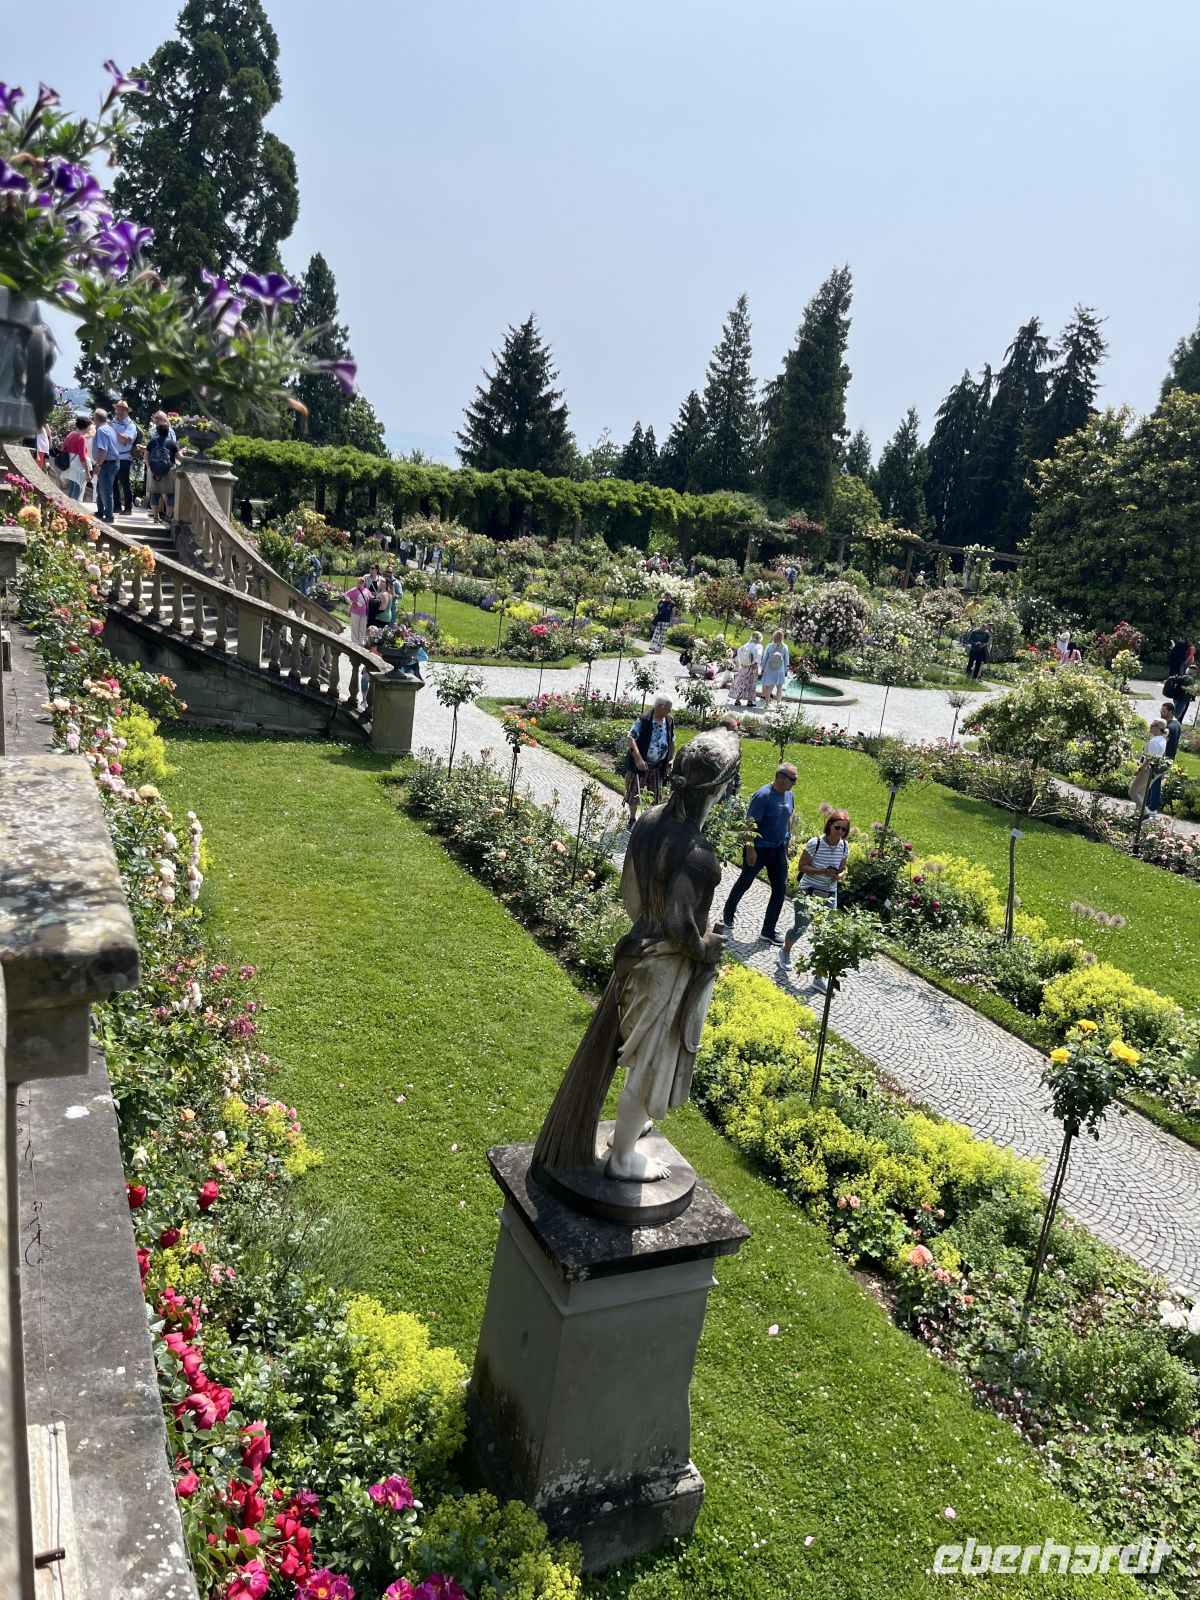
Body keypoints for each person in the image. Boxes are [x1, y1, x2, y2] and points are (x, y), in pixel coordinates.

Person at [718, 761, 797, 945]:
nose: (795, 783)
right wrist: (751, 850)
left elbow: (787, 818)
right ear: (780, 777)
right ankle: (728, 912)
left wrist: (786, 844)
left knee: (780, 889)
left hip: (778, 848)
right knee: (745, 881)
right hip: (759, 848)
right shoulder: (763, 796)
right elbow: (749, 825)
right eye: (792, 779)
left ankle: (768, 931)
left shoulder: (789, 795)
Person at [779, 810, 851, 984]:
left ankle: (819, 975)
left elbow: (843, 868)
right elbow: (802, 866)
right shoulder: (815, 843)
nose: (840, 832)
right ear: (830, 825)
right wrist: (822, 871)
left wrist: (839, 876)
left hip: (829, 894)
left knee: (827, 933)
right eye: (837, 827)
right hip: (808, 891)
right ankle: (785, 951)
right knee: (801, 927)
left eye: (844, 829)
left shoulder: (844, 846)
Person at [625, 696, 675, 827]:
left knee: (656, 795)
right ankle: (632, 819)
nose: (670, 711)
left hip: (658, 766)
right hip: (640, 765)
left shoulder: (669, 720)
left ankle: (650, 822)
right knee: (634, 793)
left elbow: (672, 739)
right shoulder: (644, 719)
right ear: (659, 707)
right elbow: (631, 738)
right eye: (668, 708)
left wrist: (671, 758)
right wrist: (638, 759)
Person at [144, 413, 178, 524]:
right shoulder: (171, 443)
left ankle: (156, 517)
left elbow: (146, 456)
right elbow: (179, 457)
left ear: (157, 431)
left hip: (154, 471)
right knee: (170, 494)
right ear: (168, 431)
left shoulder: (152, 442)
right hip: (168, 471)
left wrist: (149, 466)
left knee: (155, 493)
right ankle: (168, 516)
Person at [1131, 719, 1170, 816]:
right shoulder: (1162, 739)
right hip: (1154, 771)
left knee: (1133, 791)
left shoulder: (1155, 742)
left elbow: (1149, 759)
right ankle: (1138, 815)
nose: (1150, 726)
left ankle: (1145, 814)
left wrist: (1140, 769)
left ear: (1157, 728)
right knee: (1141, 793)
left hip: (1148, 770)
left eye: (1152, 725)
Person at [90, 408, 122, 523]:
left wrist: (98, 464)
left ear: (96, 418)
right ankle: (100, 512)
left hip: (107, 464)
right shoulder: (109, 429)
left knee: (106, 491)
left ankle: (109, 516)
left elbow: (103, 449)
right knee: (100, 489)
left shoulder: (101, 430)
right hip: (112, 463)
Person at [111, 399, 138, 515]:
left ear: (127, 411)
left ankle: (128, 508)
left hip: (124, 458)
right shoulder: (114, 421)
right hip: (113, 456)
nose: (120, 412)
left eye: (122, 410)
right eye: (118, 409)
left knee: (125, 483)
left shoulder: (130, 425)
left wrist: (113, 430)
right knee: (113, 482)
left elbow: (125, 439)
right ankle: (116, 506)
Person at [60, 414, 92, 501]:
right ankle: (73, 508)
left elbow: (63, 448)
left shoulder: (71, 434)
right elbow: (82, 457)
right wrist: (88, 473)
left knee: (71, 489)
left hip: (69, 465)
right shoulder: (81, 438)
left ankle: (68, 507)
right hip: (77, 467)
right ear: (85, 426)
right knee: (76, 490)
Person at [729, 631, 763, 706]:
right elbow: (759, 655)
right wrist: (755, 662)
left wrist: (742, 660)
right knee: (751, 684)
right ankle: (749, 701)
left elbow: (739, 650)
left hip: (744, 666)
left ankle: (737, 700)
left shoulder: (747, 644)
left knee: (742, 683)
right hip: (753, 667)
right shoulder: (759, 646)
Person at [760, 629, 790, 703]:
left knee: (768, 687)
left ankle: (767, 703)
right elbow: (786, 660)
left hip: (769, 669)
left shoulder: (769, 646)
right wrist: (786, 670)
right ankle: (778, 703)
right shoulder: (785, 647)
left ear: (774, 637)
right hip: (780, 670)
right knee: (779, 688)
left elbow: (765, 658)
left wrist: (762, 668)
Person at [347, 576, 372, 645]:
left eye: (361, 582)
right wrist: (352, 603)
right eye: (358, 582)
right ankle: (354, 643)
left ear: (364, 583)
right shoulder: (354, 590)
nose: (359, 584)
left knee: (362, 628)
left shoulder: (367, 591)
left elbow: (370, 599)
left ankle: (361, 643)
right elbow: (345, 595)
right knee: (355, 627)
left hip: (364, 612)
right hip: (355, 611)